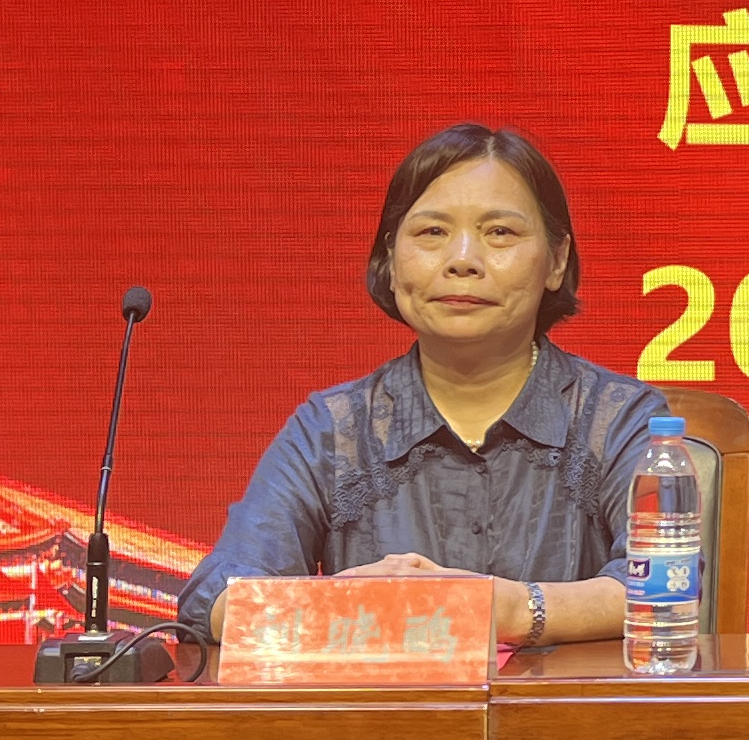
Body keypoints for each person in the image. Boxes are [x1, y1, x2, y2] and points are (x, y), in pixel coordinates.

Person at [179, 123, 656, 648]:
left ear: (557, 261)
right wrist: (337, 605)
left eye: (500, 232)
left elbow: (662, 585)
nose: (462, 260)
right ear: (390, 259)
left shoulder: (620, 420)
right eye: (432, 233)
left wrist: (510, 610)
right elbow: (213, 598)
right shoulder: (332, 430)